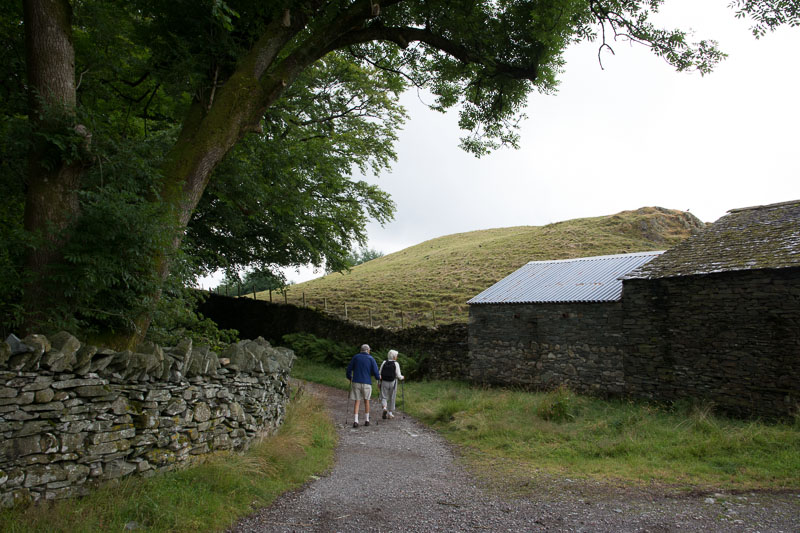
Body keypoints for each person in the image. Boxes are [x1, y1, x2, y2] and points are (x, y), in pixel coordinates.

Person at [345, 344, 380, 428]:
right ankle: (367, 420)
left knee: (357, 401)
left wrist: (350, 377)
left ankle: (355, 421)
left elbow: (349, 369)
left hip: (356, 381)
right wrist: (378, 378)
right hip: (367, 383)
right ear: (368, 350)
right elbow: (376, 372)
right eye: (369, 350)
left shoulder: (356, 357)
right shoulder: (371, 359)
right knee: (366, 401)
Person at [379, 349, 404, 419]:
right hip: (393, 382)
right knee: (392, 397)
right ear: (394, 356)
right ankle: (390, 413)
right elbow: (399, 376)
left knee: (384, 396)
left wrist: (379, 382)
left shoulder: (384, 362)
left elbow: (379, 373)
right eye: (396, 356)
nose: (397, 357)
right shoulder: (396, 364)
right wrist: (402, 377)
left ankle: (384, 408)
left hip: (384, 382)